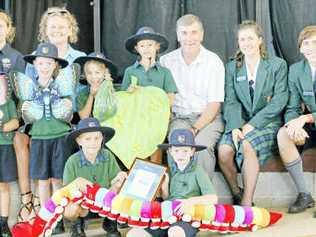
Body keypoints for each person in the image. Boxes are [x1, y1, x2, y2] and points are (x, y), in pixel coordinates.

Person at [15, 6, 85, 223]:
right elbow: (27, 95)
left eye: (62, 27)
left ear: (70, 29)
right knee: (22, 141)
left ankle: (71, 214)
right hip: (42, 123)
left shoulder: (79, 57)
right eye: (52, 26)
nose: (57, 30)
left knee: (59, 176)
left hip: (70, 118)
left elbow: (81, 95)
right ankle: (36, 206)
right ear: (45, 29)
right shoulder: (35, 59)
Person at [218, 20, 288, 206]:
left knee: (247, 144)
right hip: (239, 122)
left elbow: (279, 101)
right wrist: (234, 127)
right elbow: (231, 100)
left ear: (259, 40)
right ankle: (236, 193)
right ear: (238, 42)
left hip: (267, 122)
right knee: (224, 151)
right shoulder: (232, 67)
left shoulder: (277, 65)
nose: (246, 43)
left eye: (250, 38)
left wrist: (252, 125)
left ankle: (246, 204)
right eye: (242, 39)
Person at [160, 14, 225, 178]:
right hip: (178, 118)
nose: (189, 38)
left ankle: (203, 196)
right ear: (177, 35)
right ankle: (179, 195)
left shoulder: (213, 61)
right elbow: (161, 98)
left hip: (208, 119)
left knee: (200, 147)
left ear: (202, 35)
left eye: (194, 32)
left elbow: (214, 104)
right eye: (184, 33)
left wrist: (195, 129)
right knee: (178, 145)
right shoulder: (166, 61)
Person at [127, 129, 218, 237]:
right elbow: (167, 198)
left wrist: (190, 202)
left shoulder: (198, 171)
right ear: (170, 151)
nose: (181, 155)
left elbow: (213, 198)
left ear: (192, 151)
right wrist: (165, 187)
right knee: (134, 233)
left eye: (185, 151)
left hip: (187, 216)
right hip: (166, 213)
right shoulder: (169, 170)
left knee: (174, 232)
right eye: (176, 151)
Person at [20, 42, 73, 216]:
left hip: (60, 136)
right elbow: (26, 116)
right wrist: (26, 109)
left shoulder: (61, 86)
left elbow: (69, 113)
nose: (44, 67)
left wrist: (67, 107)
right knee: (42, 181)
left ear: (55, 65)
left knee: (58, 179)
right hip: (40, 137)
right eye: (41, 63)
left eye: (49, 63)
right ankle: (46, 215)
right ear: (34, 64)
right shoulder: (28, 87)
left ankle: (59, 214)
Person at [122, 26, 178, 164]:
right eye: (142, 45)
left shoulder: (165, 72)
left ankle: (156, 182)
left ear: (157, 47)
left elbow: (171, 99)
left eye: (150, 44)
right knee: (138, 158)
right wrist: (130, 92)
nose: (146, 48)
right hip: (137, 122)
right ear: (137, 48)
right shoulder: (130, 71)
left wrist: (151, 97)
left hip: (157, 122)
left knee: (155, 156)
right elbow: (124, 99)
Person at [63, 117, 127, 237]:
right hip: (84, 205)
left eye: (97, 138)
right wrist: (82, 195)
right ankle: (77, 226)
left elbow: (116, 178)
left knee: (121, 184)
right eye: (88, 139)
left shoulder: (108, 155)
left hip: (104, 202)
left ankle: (110, 222)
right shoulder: (72, 161)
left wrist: (120, 178)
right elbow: (67, 190)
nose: (93, 143)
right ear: (79, 141)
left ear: (102, 138)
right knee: (70, 208)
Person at [277, 25, 316, 214]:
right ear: (301, 48)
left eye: (315, 43)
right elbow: (292, 107)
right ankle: (304, 194)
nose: (311, 48)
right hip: (308, 125)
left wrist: (305, 118)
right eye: (306, 43)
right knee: (283, 134)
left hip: (310, 119)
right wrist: (294, 126)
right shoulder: (295, 70)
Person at [0, 77, 19, 236]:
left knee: (3, 185)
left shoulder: (8, 103)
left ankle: (3, 221)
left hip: (4, 147)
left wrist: (1, 126)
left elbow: (15, 123)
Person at [74, 52, 117, 119]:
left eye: (97, 72)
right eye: (89, 73)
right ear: (85, 75)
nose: (93, 76)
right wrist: (91, 95)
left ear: (105, 73)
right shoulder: (82, 94)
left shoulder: (115, 90)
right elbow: (84, 117)